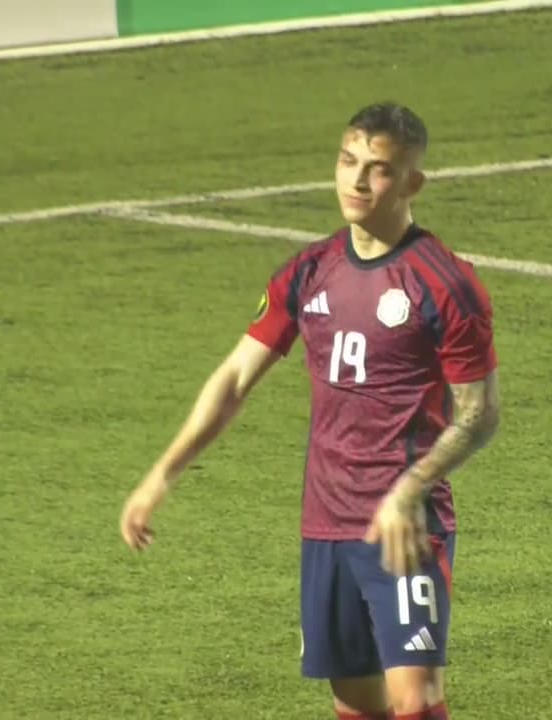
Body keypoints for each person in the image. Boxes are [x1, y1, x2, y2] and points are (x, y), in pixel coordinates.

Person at [120, 101, 501, 720]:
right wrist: (161, 475)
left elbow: (479, 415)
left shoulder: (445, 284)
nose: (357, 181)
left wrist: (410, 489)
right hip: (326, 522)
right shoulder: (309, 271)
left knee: (416, 700)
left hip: (406, 524)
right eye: (348, 162)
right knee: (355, 701)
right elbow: (234, 378)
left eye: (378, 169)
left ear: (412, 182)